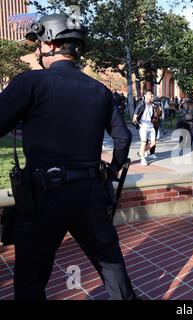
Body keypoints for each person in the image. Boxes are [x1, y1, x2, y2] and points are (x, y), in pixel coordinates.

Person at [0, 14, 136, 300]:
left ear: (49, 43)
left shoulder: (31, 82)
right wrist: (110, 171)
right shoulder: (101, 90)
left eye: (38, 43)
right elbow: (123, 140)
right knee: (111, 266)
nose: (37, 50)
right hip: (91, 192)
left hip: (45, 197)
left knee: (30, 282)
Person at [133, 90, 157, 165]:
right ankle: (143, 159)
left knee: (153, 143)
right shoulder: (141, 104)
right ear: (145, 96)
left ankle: (141, 152)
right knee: (143, 142)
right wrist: (140, 125)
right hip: (143, 126)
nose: (151, 96)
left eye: (152, 95)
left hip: (151, 126)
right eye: (149, 95)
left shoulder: (153, 105)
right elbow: (134, 118)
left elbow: (153, 115)